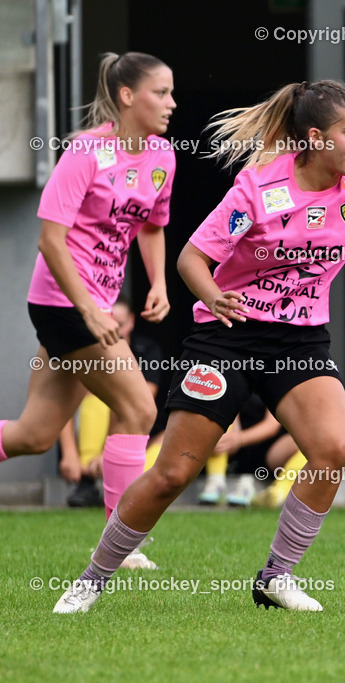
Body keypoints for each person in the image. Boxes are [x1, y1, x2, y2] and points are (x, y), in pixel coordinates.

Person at [53, 79, 345, 614]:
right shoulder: (258, 186)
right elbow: (191, 260)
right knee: (174, 473)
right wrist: (214, 298)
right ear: (316, 138)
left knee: (332, 447)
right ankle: (91, 580)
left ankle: (276, 577)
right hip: (226, 338)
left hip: (299, 341)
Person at [0, 52, 175, 550]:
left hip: (91, 306)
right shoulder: (85, 152)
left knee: (34, 434)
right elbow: (50, 242)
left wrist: (158, 282)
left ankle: (119, 540)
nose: (171, 103)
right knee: (140, 407)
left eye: (171, 92)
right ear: (126, 96)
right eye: (160, 93)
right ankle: (122, 544)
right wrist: (88, 309)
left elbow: (152, 225)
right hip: (61, 303)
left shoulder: (164, 155)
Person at [61, 300, 166, 512]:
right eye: (110, 322)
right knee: (93, 400)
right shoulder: (86, 351)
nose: (115, 330)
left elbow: (137, 407)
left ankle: (124, 499)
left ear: (132, 322)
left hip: (143, 439)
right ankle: (87, 482)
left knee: (148, 474)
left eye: (121, 323)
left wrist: (109, 451)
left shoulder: (147, 351)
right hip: (97, 444)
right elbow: (64, 401)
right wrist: (69, 453)